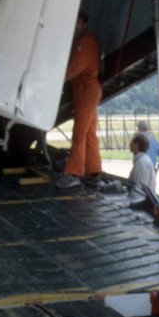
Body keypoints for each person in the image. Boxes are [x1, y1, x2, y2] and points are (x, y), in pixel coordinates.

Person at [57, 11, 103, 188]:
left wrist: (59, 78)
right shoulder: (84, 41)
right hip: (87, 90)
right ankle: (94, 171)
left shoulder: (85, 43)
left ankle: (73, 173)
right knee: (89, 133)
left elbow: (76, 68)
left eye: (76, 22)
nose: (73, 26)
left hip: (86, 90)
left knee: (79, 133)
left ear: (83, 23)